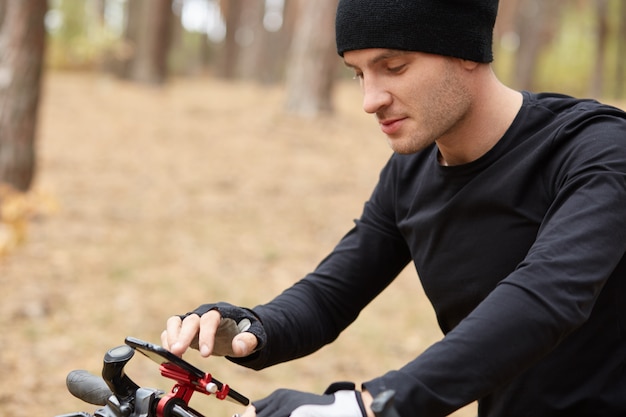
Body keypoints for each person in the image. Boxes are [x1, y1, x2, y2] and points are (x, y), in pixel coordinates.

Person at [162, 0, 626, 416]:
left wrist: (370, 406)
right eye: (358, 73)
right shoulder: (411, 172)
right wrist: (249, 325)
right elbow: (331, 296)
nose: (370, 100)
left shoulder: (598, 151)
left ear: (466, 50)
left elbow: (545, 299)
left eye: (394, 67)